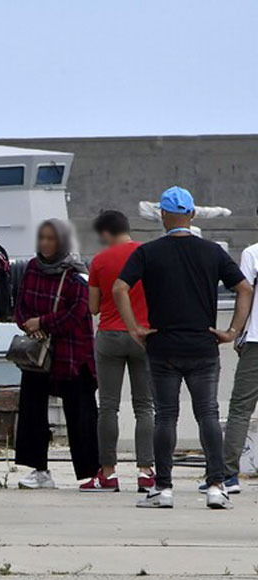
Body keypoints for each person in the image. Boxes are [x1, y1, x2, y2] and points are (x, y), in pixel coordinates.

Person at [116, 186, 253, 509]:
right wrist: (232, 330)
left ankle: (163, 488)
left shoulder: (148, 253)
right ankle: (216, 485)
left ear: (162, 215)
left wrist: (134, 327)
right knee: (208, 413)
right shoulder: (212, 252)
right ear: (191, 215)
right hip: (203, 344)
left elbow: (120, 287)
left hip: (162, 344)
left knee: (165, 416)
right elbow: (245, 287)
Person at [14, 219, 100, 489]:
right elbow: (21, 304)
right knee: (32, 411)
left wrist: (44, 323)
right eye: (42, 238)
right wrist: (30, 325)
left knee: (81, 414)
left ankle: (92, 473)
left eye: (51, 239)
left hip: (72, 353)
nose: (45, 244)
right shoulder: (32, 268)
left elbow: (77, 313)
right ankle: (38, 469)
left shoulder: (76, 275)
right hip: (38, 354)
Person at [82, 210, 154, 493]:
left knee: (108, 406)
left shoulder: (100, 260)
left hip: (110, 335)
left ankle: (108, 473)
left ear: (104, 233)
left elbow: (93, 307)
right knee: (144, 406)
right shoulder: (147, 253)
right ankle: (146, 471)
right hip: (143, 334)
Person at [220, 236, 258, 495]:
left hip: (256, 340)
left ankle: (228, 475)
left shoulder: (252, 253)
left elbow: (245, 293)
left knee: (241, 409)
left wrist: (236, 331)